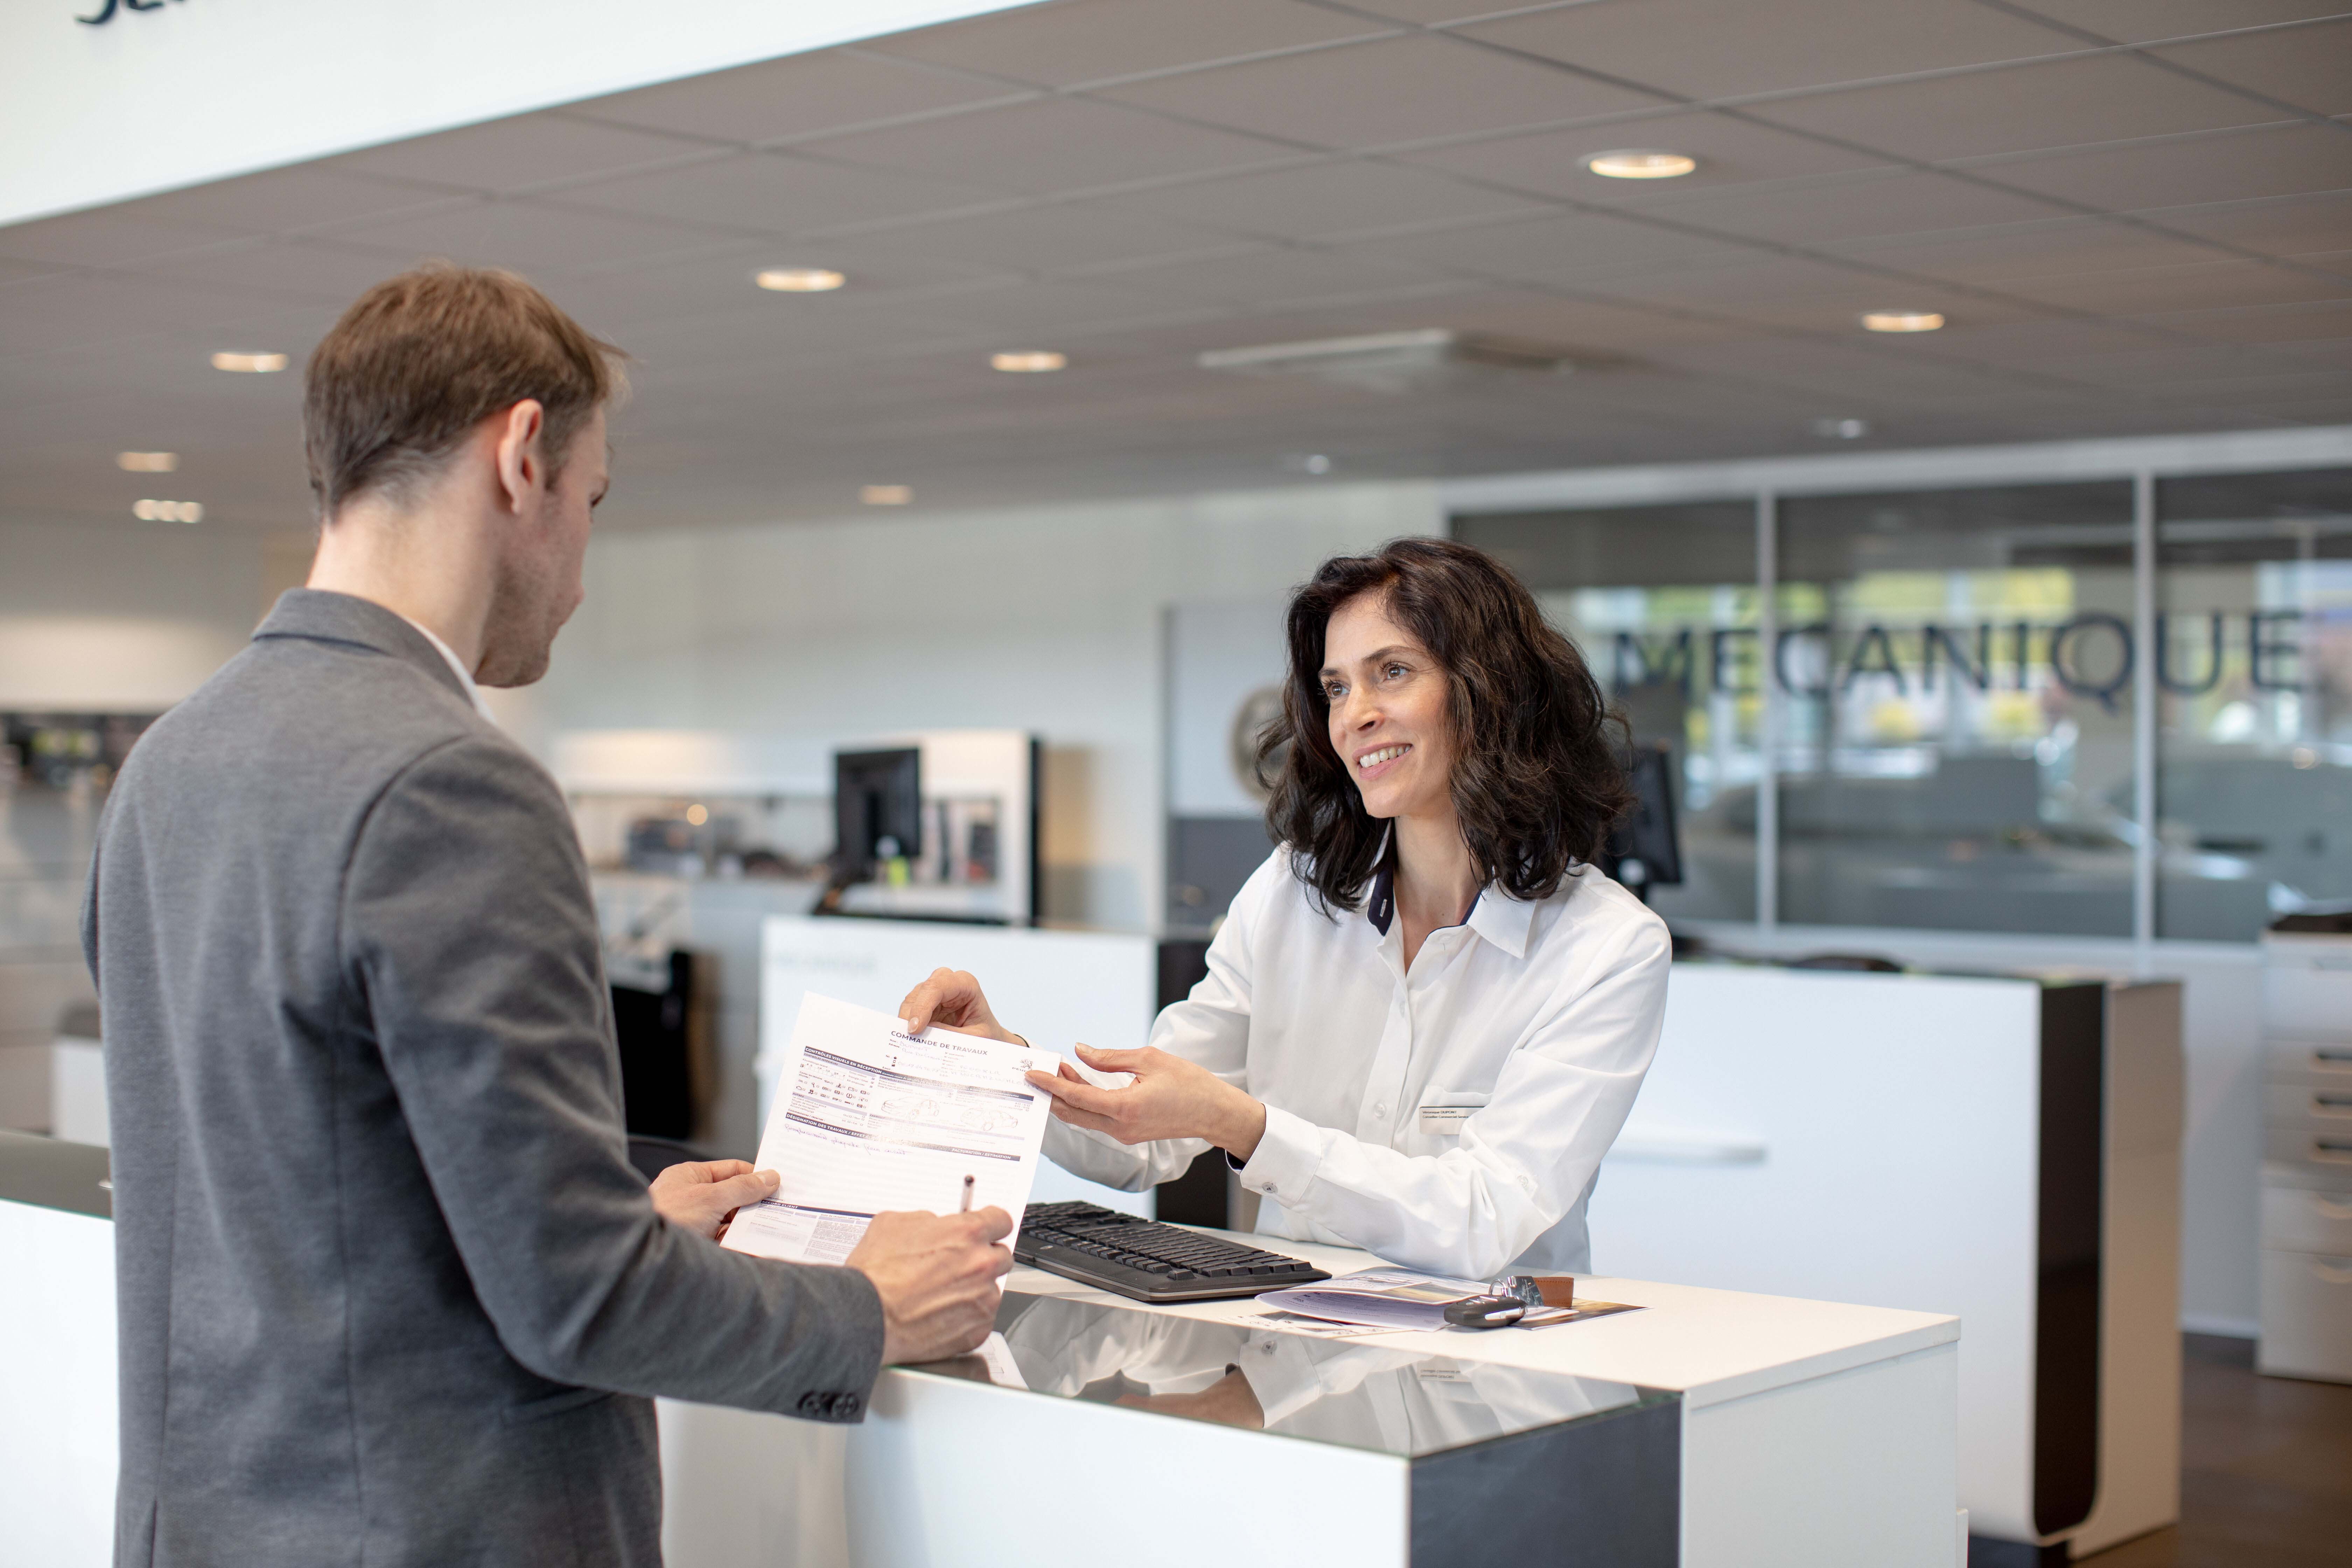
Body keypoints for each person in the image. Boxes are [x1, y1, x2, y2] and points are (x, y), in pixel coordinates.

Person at [81, 265, 1011, 1568]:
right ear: (521, 457)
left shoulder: (176, 760)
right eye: (593, 499)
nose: (581, 565)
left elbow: (305, 1194)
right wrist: (866, 1306)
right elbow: (578, 1303)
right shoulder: (447, 781)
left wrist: (614, 1220)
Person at [901, 538, 1670, 1281]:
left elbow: (1486, 1216)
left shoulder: (1607, 946)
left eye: (1392, 672)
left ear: (1488, 689)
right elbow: (1142, 1140)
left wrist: (1245, 1125)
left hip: (1494, 1365)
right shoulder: (1291, 891)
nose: (1354, 715)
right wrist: (998, 1058)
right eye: (1336, 686)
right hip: (1291, 1358)